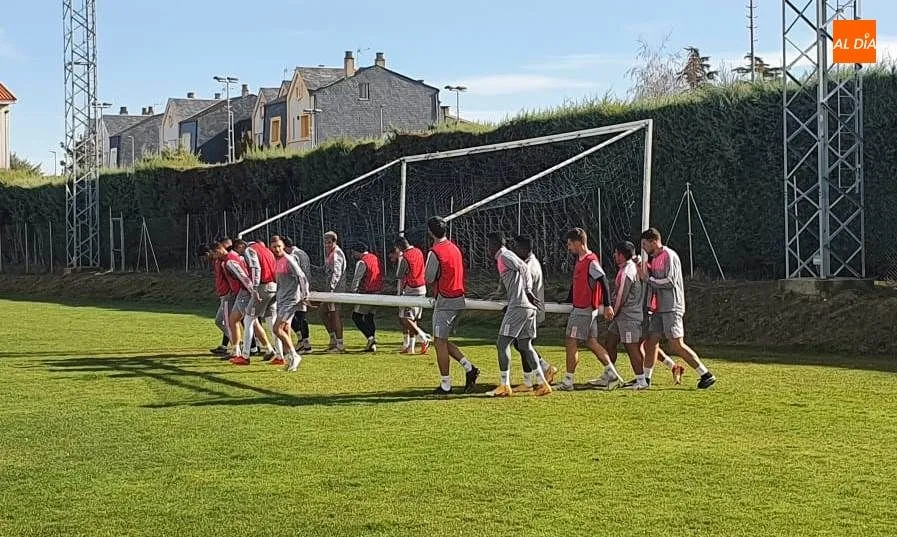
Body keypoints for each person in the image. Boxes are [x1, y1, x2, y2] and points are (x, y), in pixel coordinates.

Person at [639, 228, 717, 389]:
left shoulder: (669, 255)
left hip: (671, 306)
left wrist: (649, 279)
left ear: (654, 241)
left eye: (645, 244)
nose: (644, 248)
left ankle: (705, 374)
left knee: (676, 344)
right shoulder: (653, 259)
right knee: (651, 342)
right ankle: (645, 379)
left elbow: (670, 281)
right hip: (658, 308)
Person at [555, 227, 622, 391]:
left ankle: (568, 381)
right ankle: (613, 374)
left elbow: (603, 280)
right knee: (591, 342)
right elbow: (577, 283)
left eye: (570, 244)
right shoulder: (580, 260)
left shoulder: (590, 261)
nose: (568, 248)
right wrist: (567, 299)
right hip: (584, 308)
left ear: (578, 243)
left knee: (571, 340)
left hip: (583, 309)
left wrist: (607, 305)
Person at [486, 232, 551, 397]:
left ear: (494, 244)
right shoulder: (505, 257)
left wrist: (528, 291)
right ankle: (543, 383)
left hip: (519, 306)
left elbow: (523, 267)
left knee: (502, 344)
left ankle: (504, 385)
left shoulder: (504, 256)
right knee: (524, 346)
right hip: (527, 307)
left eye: (488, 245)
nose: (487, 248)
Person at [425, 216, 480, 395]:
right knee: (442, 339)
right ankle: (469, 367)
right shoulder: (454, 248)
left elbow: (428, 277)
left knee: (439, 342)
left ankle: (446, 384)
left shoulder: (435, 251)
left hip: (445, 299)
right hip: (458, 297)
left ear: (430, 232)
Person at [510, 235, 557, 390]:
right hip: (531, 310)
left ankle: (529, 381)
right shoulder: (530, 263)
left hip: (530, 311)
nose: (515, 251)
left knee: (522, 343)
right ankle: (543, 367)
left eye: (517, 248)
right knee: (521, 343)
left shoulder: (530, 267)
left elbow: (525, 292)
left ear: (524, 248)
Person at [270, 237, 309, 372]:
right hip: (282, 299)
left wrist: (305, 294)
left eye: (279, 246)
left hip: (291, 300)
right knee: (285, 329)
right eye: (274, 247)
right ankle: (290, 361)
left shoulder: (289, 259)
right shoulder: (276, 261)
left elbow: (301, 276)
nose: (277, 249)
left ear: (283, 246)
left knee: (277, 328)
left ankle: (294, 355)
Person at [238, 240, 279, 362]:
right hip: (274, 286)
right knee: (272, 321)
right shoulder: (268, 251)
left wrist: (254, 288)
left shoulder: (250, 250)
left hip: (262, 286)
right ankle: (280, 355)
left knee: (248, 319)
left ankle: (245, 355)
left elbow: (256, 268)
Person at [218, 240, 256, 364]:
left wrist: (252, 290)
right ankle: (263, 349)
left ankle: (241, 352)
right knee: (249, 321)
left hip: (243, 292)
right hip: (244, 291)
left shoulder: (230, 260)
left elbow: (242, 275)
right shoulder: (230, 259)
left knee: (244, 321)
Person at [393, 236, 431, 355]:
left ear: (399, 247)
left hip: (411, 290)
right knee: (413, 319)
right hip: (422, 288)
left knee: (405, 318)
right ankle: (411, 347)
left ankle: (423, 337)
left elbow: (399, 274)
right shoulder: (418, 252)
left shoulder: (405, 257)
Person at [280, 236, 313, 354]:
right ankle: (304, 342)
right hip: (302, 288)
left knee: (295, 317)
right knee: (300, 317)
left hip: (297, 290)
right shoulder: (302, 253)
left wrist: (304, 292)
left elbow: (300, 275)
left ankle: (303, 341)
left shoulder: (293, 256)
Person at [197, 243, 231, 356]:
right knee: (225, 321)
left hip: (228, 295)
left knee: (222, 321)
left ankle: (238, 345)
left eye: (204, 257)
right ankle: (229, 345)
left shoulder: (222, 261)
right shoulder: (217, 261)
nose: (204, 260)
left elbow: (229, 278)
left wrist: (229, 291)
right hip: (224, 294)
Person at [349, 242, 383, 352]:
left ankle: (370, 338)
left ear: (357, 251)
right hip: (378, 291)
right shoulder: (374, 258)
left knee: (356, 317)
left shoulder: (362, 262)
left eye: (353, 252)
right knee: (369, 317)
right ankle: (371, 344)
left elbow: (357, 279)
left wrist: (353, 293)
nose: (352, 255)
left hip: (367, 293)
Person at [321, 231, 347, 353]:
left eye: (329, 242)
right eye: (325, 242)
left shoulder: (336, 254)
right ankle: (333, 339)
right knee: (322, 312)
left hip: (336, 290)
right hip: (330, 289)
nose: (326, 245)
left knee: (335, 314)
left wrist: (331, 288)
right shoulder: (330, 253)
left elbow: (336, 273)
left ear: (334, 242)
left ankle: (340, 344)